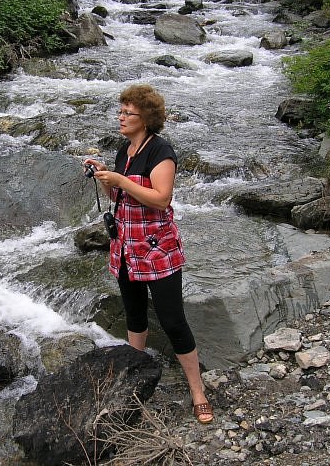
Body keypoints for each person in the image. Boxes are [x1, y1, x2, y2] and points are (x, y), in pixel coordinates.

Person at [84, 84, 213, 424]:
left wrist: (121, 181)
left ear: (147, 118)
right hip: (126, 247)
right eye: (121, 111)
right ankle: (134, 374)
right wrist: (105, 178)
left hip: (157, 250)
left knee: (173, 321)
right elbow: (118, 199)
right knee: (135, 315)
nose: (121, 117)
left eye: (128, 113)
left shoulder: (161, 151)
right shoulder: (124, 151)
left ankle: (197, 391)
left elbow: (160, 199)